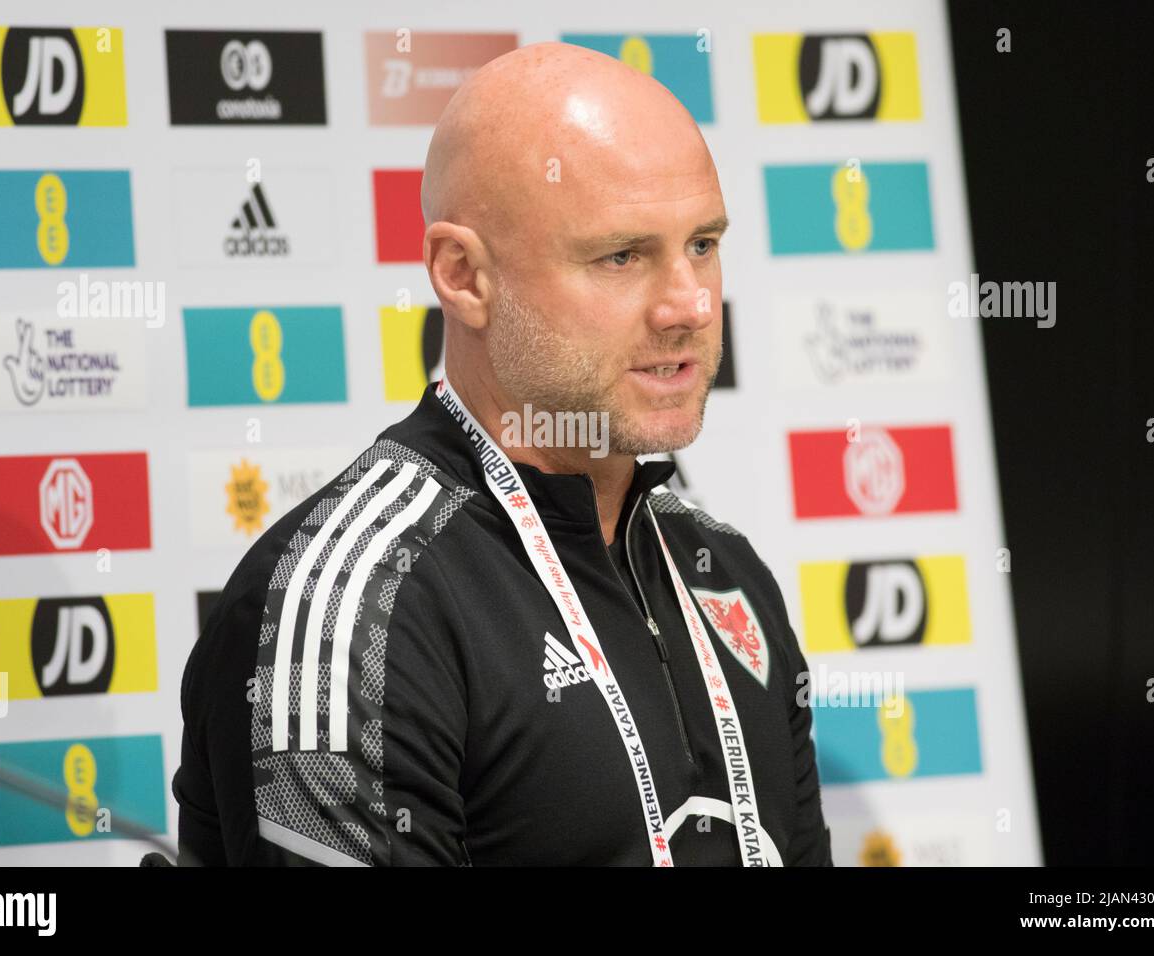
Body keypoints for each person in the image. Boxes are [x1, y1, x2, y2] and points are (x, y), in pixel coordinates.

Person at [174, 41, 833, 866]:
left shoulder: (724, 572)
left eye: (702, 243)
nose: (689, 305)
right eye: (622, 256)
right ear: (464, 276)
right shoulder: (356, 607)